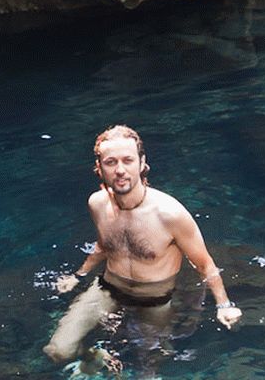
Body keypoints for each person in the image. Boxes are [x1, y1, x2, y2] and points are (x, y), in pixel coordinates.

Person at [44, 124, 242, 364]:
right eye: (110, 162)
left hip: (155, 299)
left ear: (141, 162)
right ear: (100, 167)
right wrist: (78, 275)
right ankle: (94, 355)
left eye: (127, 160)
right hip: (109, 287)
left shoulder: (170, 214)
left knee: (147, 362)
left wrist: (224, 305)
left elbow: (205, 265)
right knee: (58, 351)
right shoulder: (97, 204)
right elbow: (104, 245)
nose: (120, 170)